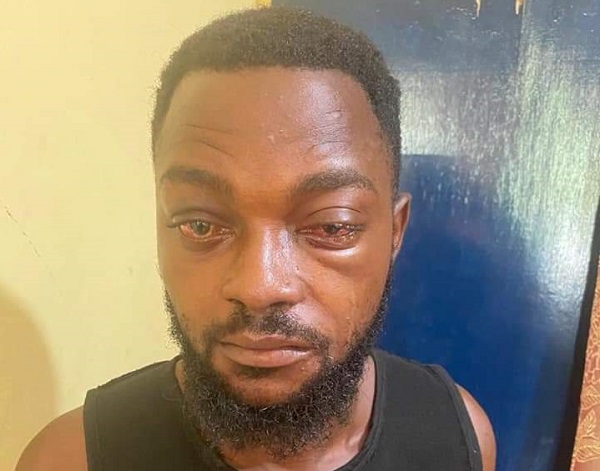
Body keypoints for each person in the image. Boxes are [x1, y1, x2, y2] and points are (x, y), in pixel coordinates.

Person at [17, 7, 495, 471]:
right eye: (200, 225)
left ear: (395, 232)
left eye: (332, 226)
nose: (259, 286)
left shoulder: (456, 439)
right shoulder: (70, 460)